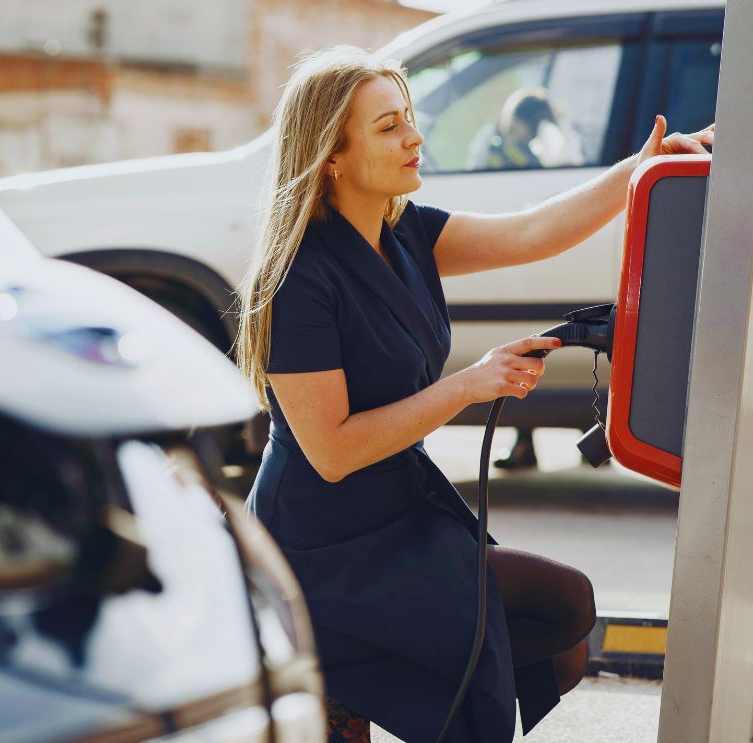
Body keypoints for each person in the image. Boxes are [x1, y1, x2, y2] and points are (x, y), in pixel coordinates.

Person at [235, 46, 713, 743]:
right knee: (528, 624)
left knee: (557, 623)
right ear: (330, 155)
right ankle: (341, 676)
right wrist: (471, 382)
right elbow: (332, 451)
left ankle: (347, 686)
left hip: (399, 511)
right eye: (388, 126)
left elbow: (531, 231)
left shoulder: (406, 232)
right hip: (323, 544)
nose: (414, 136)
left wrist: (637, 172)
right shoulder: (297, 279)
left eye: (408, 118)